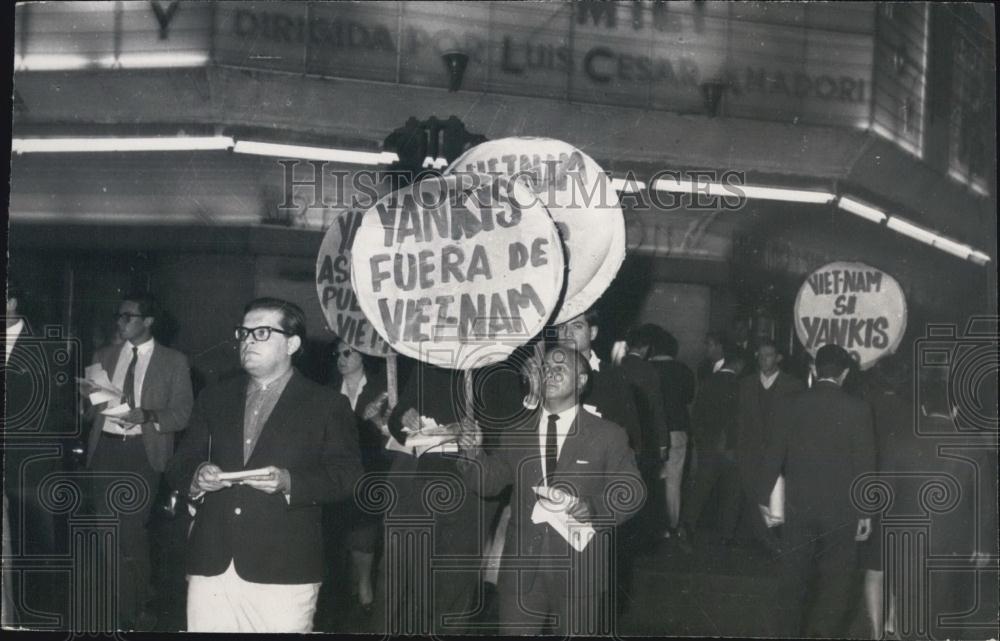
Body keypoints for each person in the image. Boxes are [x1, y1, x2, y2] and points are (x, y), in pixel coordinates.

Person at [165, 298, 363, 633]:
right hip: (211, 563)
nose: (247, 341)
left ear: (292, 343)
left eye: (261, 333)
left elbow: (348, 477)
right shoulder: (214, 397)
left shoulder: (327, 404)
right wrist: (197, 476)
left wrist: (290, 482)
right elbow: (180, 463)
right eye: (244, 333)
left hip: (284, 569)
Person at [456, 345, 645, 635]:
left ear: (582, 381)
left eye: (561, 368)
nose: (550, 373)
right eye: (544, 368)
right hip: (521, 571)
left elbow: (632, 490)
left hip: (580, 570)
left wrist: (595, 507)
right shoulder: (515, 432)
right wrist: (472, 453)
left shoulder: (608, 434)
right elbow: (488, 482)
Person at [83, 292, 193, 630]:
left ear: (148, 321)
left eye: (128, 316)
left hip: (142, 455)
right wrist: (88, 398)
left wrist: (146, 415)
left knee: (130, 531)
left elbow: (182, 414)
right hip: (106, 451)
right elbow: (91, 413)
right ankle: (129, 603)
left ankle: (132, 608)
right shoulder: (104, 355)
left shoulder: (173, 361)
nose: (120, 322)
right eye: (119, 316)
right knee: (107, 532)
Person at [759, 344, 876, 638]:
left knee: (793, 581)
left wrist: (764, 500)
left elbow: (772, 455)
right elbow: (865, 464)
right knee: (836, 584)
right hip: (842, 511)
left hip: (799, 508)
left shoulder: (789, 403)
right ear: (846, 374)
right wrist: (866, 513)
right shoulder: (858, 409)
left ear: (814, 369)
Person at [3, 279, 75, 624]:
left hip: (28, 467)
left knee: (30, 549)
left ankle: (33, 620)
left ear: (12, 302)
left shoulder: (46, 347)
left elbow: (58, 412)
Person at [328, 339, 390, 617]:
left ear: (363, 356)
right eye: (337, 354)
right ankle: (346, 587)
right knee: (339, 530)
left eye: (347, 353)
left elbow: (391, 431)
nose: (341, 358)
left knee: (365, 528)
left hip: (371, 468)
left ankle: (365, 585)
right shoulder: (328, 391)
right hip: (336, 471)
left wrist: (377, 421)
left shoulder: (382, 387)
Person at [735, 339, 803, 553]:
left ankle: (776, 541)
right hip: (751, 451)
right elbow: (740, 421)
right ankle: (768, 543)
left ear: (779, 358)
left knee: (780, 499)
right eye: (761, 355)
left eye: (769, 355)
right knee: (754, 496)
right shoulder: (745, 384)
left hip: (782, 453)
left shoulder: (794, 385)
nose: (764, 359)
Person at [678, 346, 745, 547]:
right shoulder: (740, 386)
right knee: (732, 492)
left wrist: (703, 442)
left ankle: (686, 526)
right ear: (740, 365)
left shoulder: (707, 383)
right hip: (731, 449)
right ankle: (726, 535)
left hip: (708, 447)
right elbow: (739, 420)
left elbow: (696, 416)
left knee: (700, 489)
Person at [554, 309, 641, 458]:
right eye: (562, 327)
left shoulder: (614, 377)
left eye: (577, 326)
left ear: (593, 332)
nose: (567, 334)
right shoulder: (546, 375)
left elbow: (631, 432)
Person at [617, 324, 668, 542]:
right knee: (644, 486)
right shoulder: (649, 371)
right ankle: (641, 534)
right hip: (644, 438)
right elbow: (657, 408)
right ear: (646, 348)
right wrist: (663, 442)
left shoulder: (616, 368)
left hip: (619, 435)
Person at [648, 327, 696, 540]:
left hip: (650, 431)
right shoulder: (684, 370)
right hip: (677, 429)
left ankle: (652, 525)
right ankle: (672, 525)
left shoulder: (646, 368)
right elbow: (688, 398)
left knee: (650, 478)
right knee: (674, 480)